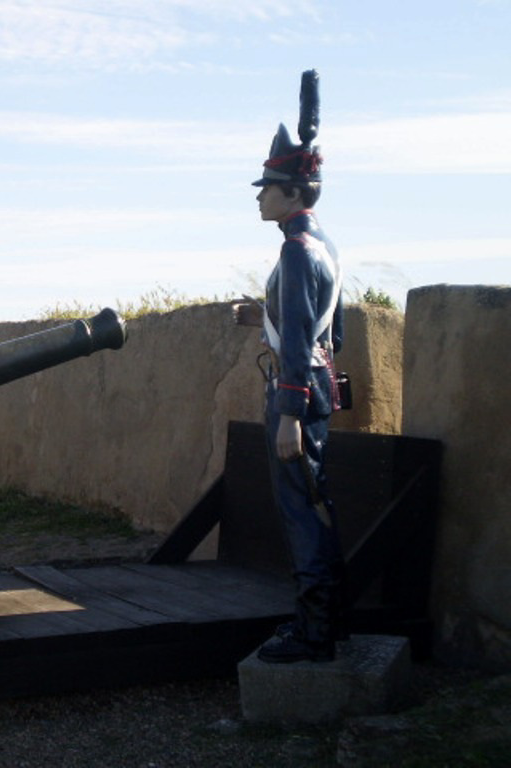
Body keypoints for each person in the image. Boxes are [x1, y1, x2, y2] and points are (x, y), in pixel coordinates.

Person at [233, 70, 346, 663]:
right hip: (319, 382)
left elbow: (302, 336)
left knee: (301, 510)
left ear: (294, 195)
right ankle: (329, 623)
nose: (259, 195)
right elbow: (328, 325)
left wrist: (289, 414)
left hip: (297, 393)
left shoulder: (294, 251)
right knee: (315, 502)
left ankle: (315, 633)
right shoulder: (323, 243)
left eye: (269, 186)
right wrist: (265, 318)